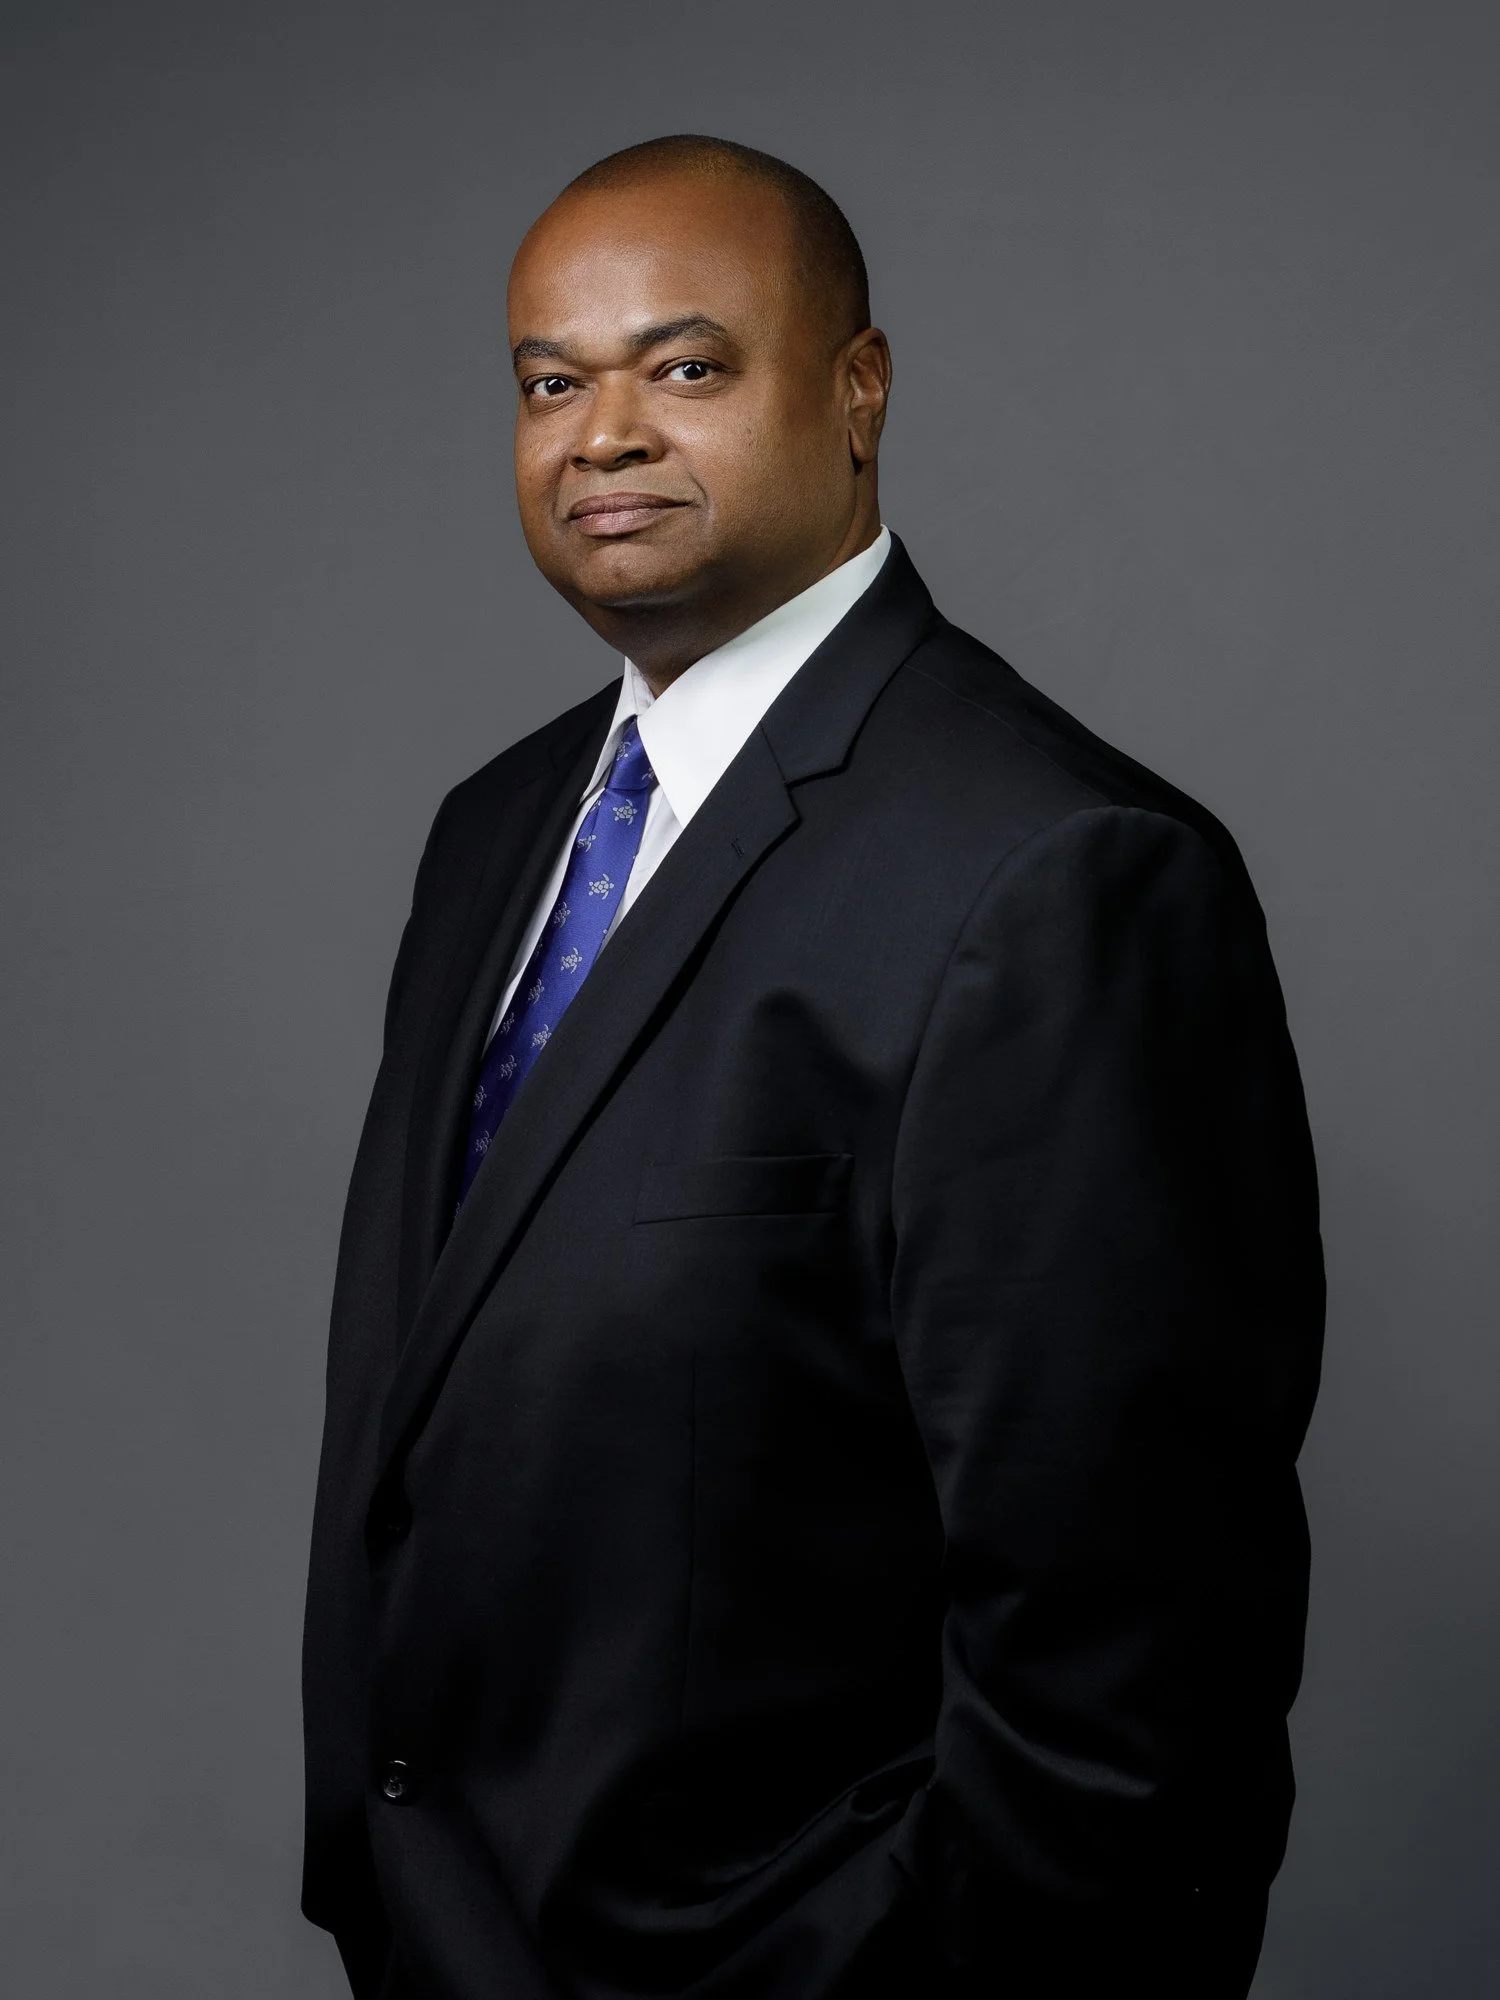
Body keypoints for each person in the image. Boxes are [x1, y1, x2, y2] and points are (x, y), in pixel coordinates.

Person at [301, 135, 1324, 2000]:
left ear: (859, 392)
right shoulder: (493, 834)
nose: (602, 435)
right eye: (550, 383)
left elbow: (1132, 1696)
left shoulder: (1059, 875)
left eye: (686, 366)